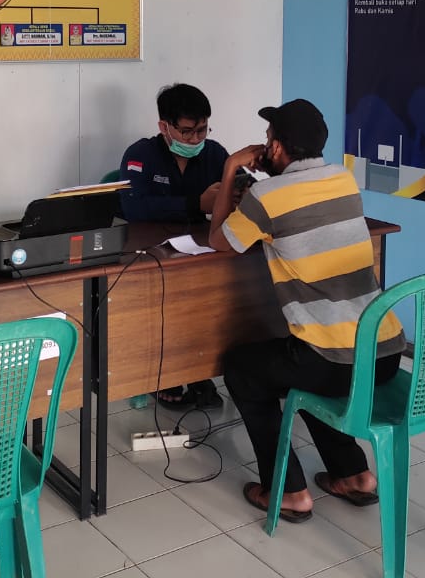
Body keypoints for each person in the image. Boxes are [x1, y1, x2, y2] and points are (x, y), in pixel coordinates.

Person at [210, 99, 404, 522]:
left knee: (243, 369)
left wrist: (230, 169)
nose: (264, 147)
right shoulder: (343, 179)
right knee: (306, 368)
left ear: (277, 149)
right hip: (384, 353)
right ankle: (354, 475)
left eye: (267, 140)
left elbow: (220, 241)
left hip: (335, 360)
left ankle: (288, 491)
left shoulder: (266, 195)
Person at [120, 83, 229, 410]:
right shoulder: (140, 155)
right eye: (186, 132)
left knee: (216, 298)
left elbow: (237, 194)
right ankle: (161, 372)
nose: (195, 139)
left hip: (199, 252)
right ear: (164, 127)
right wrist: (197, 203)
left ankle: (198, 370)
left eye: (202, 130)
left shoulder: (216, 154)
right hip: (148, 254)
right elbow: (133, 207)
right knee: (162, 302)